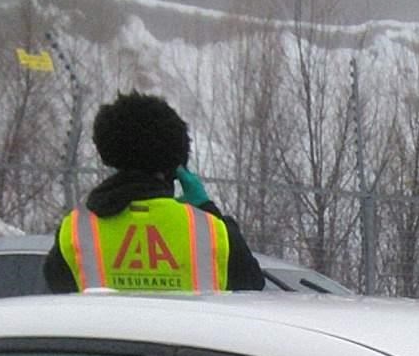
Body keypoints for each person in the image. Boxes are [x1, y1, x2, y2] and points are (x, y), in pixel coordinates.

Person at [43, 92, 265, 295]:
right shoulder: (212, 232)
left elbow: (57, 288)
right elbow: (252, 286)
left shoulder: (76, 230)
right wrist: (207, 208)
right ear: (176, 168)